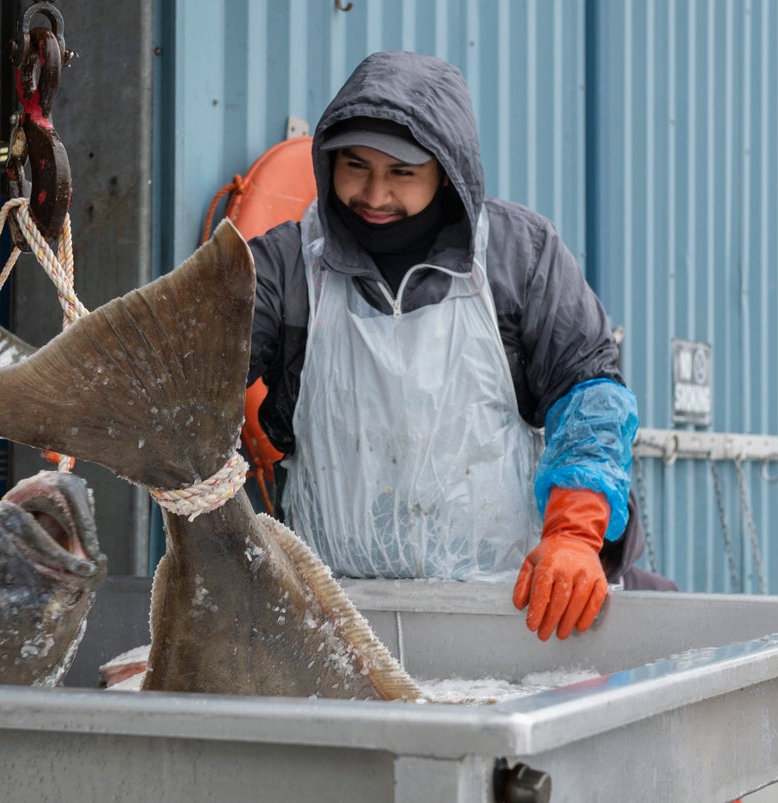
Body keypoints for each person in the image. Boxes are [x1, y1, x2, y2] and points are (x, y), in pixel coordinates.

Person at [246, 50, 649, 642]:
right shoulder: (284, 265)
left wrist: (573, 534)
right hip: (331, 619)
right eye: (354, 166)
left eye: (402, 172)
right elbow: (192, 368)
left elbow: (588, 395)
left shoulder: (521, 255)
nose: (375, 194)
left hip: (505, 615)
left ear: (447, 169)